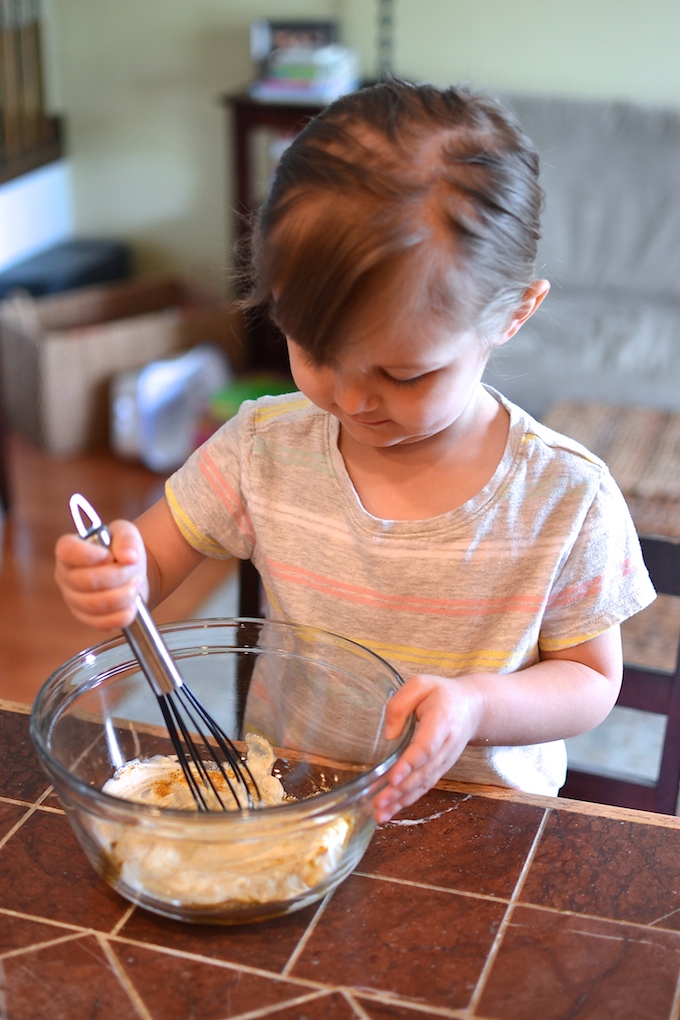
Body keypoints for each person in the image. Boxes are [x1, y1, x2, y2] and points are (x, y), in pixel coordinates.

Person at [55, 78, 655, 823]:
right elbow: (146, 564)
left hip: (481, 822)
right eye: (314, 351)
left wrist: (475, 704)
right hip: (297, 800)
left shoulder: (566, 499)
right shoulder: (263, 449)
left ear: (515, 314)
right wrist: (115, 575)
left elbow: (592, 682)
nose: (351, 398)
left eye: (403, 374)